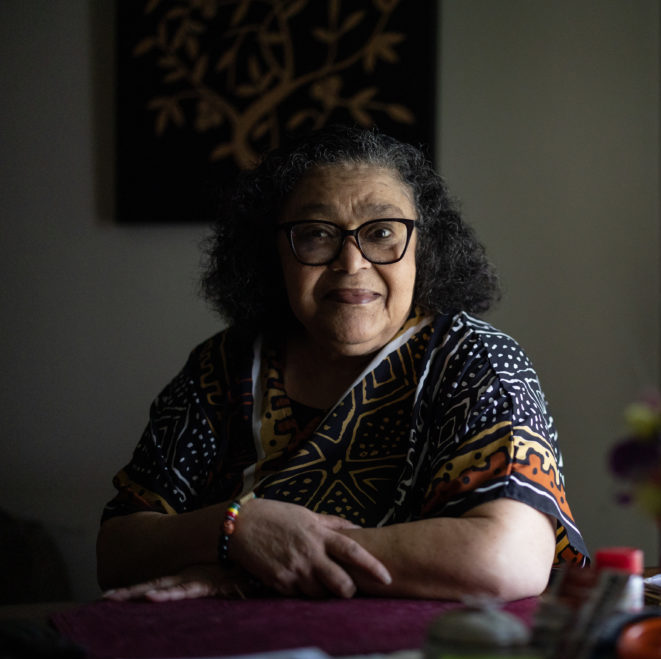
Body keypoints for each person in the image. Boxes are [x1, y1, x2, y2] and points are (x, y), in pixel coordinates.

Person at [97, 125, 588, 603]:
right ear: (273, 255)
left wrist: (268, 560)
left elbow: (504, 559)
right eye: (315, 235)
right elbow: (117, 550)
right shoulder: (222, 367)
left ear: (425, 250)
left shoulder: (475, 360)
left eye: (381, 233)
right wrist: (238, 528)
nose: (351, 263)